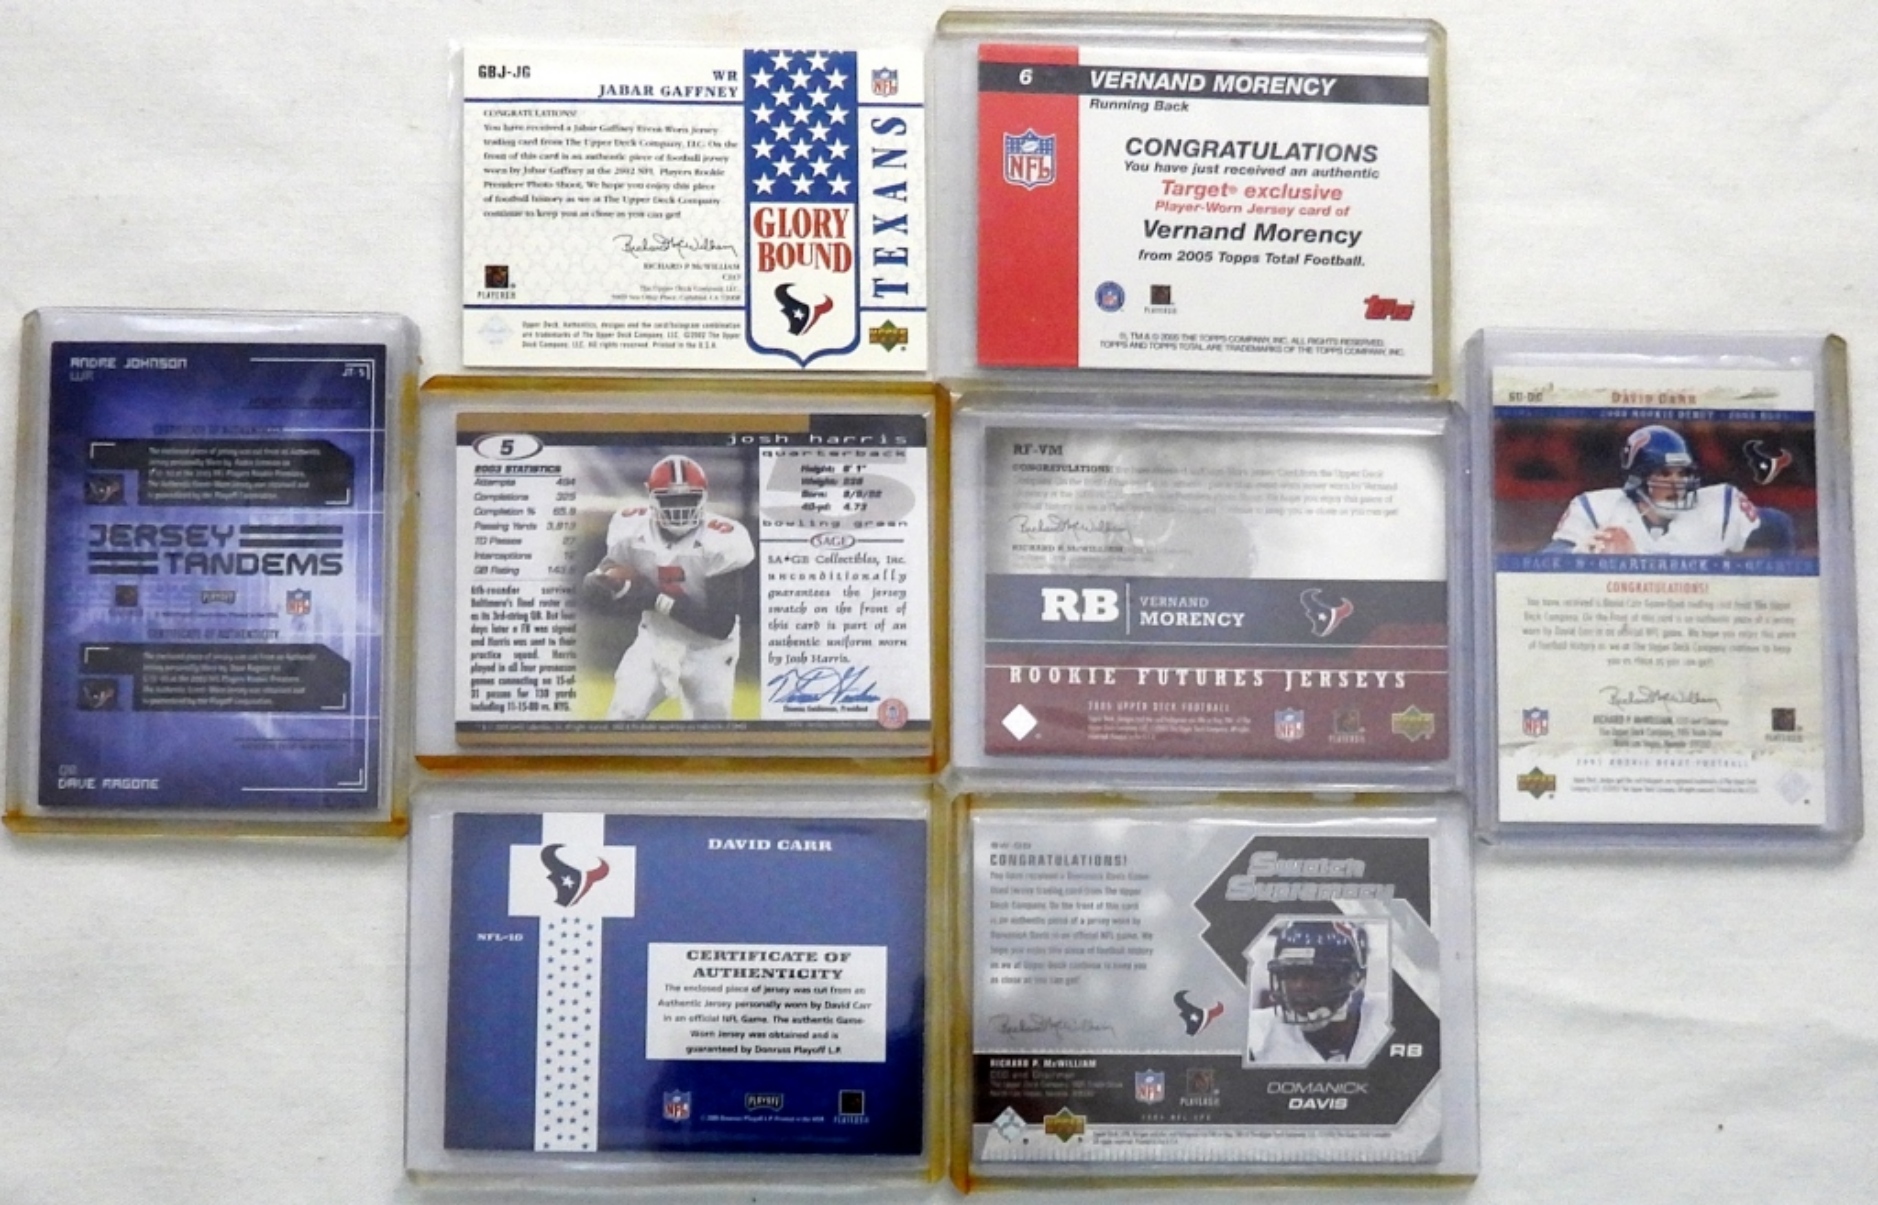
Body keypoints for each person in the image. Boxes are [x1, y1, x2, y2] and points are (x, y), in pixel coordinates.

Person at [580, 454, 754, 720]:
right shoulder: (631, 527)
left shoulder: (722, 539)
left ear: (704, 496)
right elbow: (605, 572)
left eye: (688, 499)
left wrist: (654, 598)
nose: (679, 508)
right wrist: (598, 581)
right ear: (651, 496)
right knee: (623, 714)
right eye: (670, 499)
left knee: (711, 728)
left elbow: (720, 624)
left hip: (709, 649)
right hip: (656, 640)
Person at [1544, 424, 1793, 555]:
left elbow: (1780, 526)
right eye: (1664, 473)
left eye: (1682, 473)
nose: (1677, 482)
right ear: (1638, 478)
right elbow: (1548, 559)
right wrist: (1579, 554)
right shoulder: (1597, 509)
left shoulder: (1715, 508)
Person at [1246, 919, 1386, 1065]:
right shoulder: (1257, 1036)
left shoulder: (1386, 1020)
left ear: (1355, 979)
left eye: (1314, 975)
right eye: (1290, 975)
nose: (1299, 986)